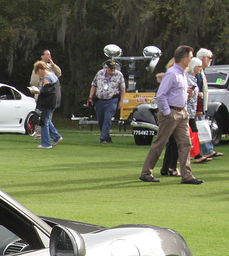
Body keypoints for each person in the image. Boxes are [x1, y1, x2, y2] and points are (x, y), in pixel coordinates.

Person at [139, 45, 201, 184]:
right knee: (160, 143)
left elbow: (176, 93)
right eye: (190, 57)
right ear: (184, 59)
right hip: (171, 113)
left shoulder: (182, 74)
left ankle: (187, 176)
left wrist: (187, 95)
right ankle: (146, 173)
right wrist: (168, 112)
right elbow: (161, 95)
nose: (192, 60)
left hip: (182, 112)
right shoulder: (172, 73)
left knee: (185, 143)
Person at [86, 60, 125, 143]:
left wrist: (121, 101)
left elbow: (122, 89)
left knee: (107, 118)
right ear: (106, 67)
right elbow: (94, 85)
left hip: (112, 100)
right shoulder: (100, 73)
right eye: (111, 68)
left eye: (114, 68)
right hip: (100, 100)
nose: (112, 69)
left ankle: (103, 138)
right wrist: (90, 97)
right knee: (101, 120)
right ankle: (107, 137)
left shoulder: (119, 75)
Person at [194, 48, 220, 161]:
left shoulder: (202, 71)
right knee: (199, 128)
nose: (210, 60)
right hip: (197, 106)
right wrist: (198, 107)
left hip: (201, 105)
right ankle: (204, 151)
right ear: (203, 58)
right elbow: (197, 90)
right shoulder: (197, 72)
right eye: (209, 58)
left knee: (202, 127)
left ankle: (207, 150)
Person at [34, 61, 63, 149]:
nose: (39, 75)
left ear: (40, 70)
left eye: (38, 73)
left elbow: (45, 92)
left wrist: (35, 91)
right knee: (47, 119)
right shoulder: (53, 75)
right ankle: (56, 136)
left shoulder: (46, 78)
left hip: (48, 102)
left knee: (44, 122)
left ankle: (46, 143)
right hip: (54, 101)